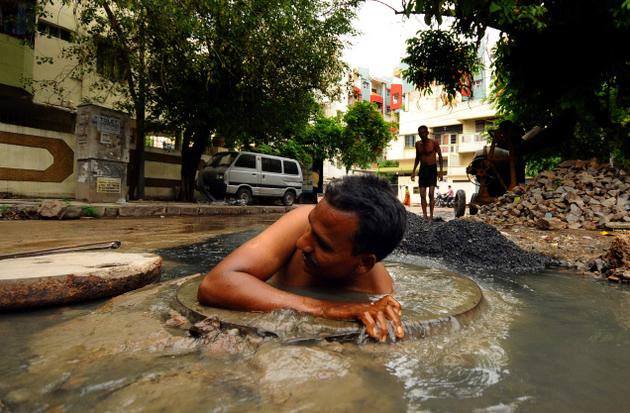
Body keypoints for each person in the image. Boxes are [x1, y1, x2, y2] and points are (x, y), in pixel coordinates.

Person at [197, 175, 407, 341]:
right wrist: (324, 308)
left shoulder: (377, 292)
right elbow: (215, 283)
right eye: (310, 227)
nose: (301, 244)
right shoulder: (297, 221)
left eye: (323, 244)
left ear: (363, 263)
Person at [410, 125, 443, 220]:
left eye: (424, 133)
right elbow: (417, 158)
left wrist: (441, 172)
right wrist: (413, 172)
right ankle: (425, 216)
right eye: (420, 133)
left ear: (427, 133)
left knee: (431, 194)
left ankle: (431, 216)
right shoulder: (417, 144)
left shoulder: (434, 143)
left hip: (432, 169)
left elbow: (440, 157)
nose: (422, 135)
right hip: (423, 169)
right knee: (422, 194)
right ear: (419, 134)